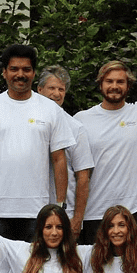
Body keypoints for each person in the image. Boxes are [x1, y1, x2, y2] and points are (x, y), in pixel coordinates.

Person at [0, 44, 74, 240]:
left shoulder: (51, 110)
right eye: (14, 69)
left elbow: (59, 159)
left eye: (26, 69)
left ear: (33, 73)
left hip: (38, 212)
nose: (20, 74)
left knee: (34, 269)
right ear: (4, 73)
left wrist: (59, 205)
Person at [75, 60, 137, 244]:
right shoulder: (81, 119)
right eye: (109, 81)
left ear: (128, 86)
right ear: (100, 84)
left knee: (134, 270)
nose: (114, 86)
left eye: (120, 82)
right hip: (94, 213)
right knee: (95, 271)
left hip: (131, 212)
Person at [38, 65, 94, 239]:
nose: (56, 93)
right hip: (31, 212)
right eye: (52, 88)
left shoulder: (76, 128)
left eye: (61, 89)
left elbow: (83, 177)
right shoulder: (26, 123)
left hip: (63, 216)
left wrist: (77, 219)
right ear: (39, 90)